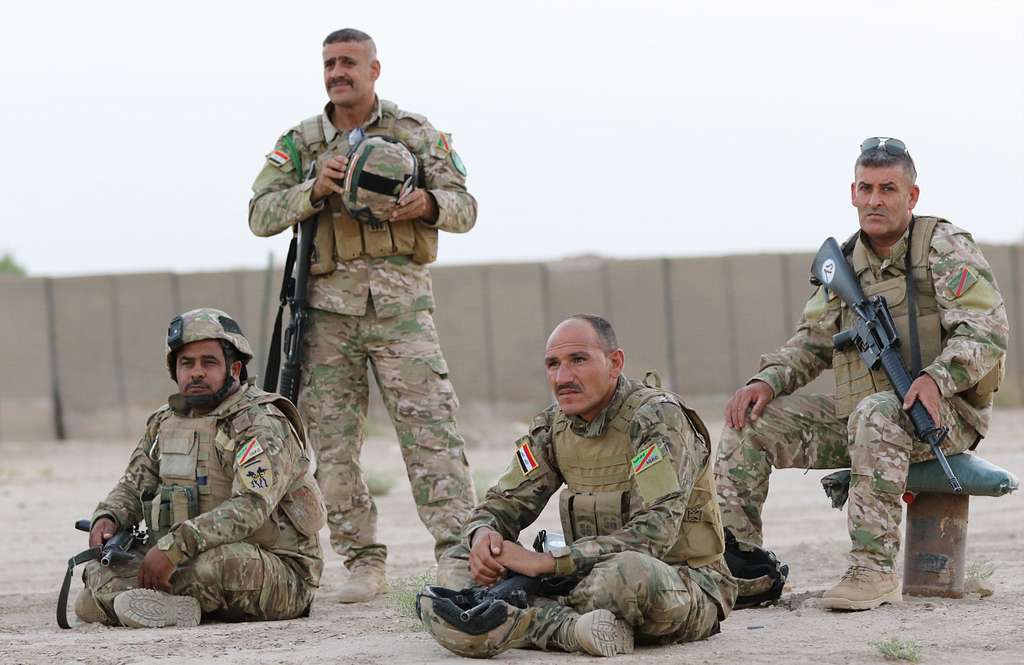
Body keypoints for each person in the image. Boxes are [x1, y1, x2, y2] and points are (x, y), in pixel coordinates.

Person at [715, 137, 1008, 610]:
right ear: (852, 193)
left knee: (876, 412)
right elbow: (811, 341)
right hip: (864, 414)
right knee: (751, 421)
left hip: (943, 416)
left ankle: (873, 570)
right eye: (866, 188)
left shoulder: (942, 246)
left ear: (911, 196)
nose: (875, 200)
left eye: (888, 188)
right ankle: (740, 566)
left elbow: (987, 331)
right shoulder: (842, 263)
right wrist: (765, 380)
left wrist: (935, 377)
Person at [248, 27, 477, 603]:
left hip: (403, 313)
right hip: (326, 317)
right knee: (332, 445)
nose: (337, 73)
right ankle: (361, 560)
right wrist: (310, 189)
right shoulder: (301, 142)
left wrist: (429, 203)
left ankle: (457, 553)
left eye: (348, 62)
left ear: (375, 69)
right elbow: (259, 213)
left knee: (432, 435)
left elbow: (465, 207)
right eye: (329, 63)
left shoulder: (414, 133)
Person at [419, 315, 737, 658]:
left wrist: (546, 564)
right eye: (553, 364)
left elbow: (655, 534)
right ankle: (573, 629)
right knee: (458, 559)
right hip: (580, 574)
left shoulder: (657, 419)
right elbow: (503, 502)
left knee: (626, 575)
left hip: (682, 582)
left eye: (578, 360)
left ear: (615, 363)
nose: (563, 377)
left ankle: (505, 620)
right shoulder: (552, 426)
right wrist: (484, 536)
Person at [73, 308, 326, 628]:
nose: (196, 373)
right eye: (186, 363)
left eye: (208, 362)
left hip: (279, 570)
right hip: (184, 554)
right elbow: (135, 483)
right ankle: (153, 604)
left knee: (210, 568)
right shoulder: (165, 421)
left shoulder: (261, 423)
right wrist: (109, 516)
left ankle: (119, 602)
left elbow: (249, 508)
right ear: (174, 370)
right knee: (101, 566)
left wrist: (175, 547)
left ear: (234, 369)